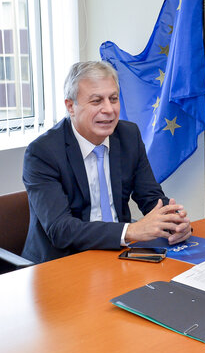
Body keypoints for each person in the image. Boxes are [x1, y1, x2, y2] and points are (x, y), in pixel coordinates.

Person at [22, 61, 191, 264]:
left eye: (113, 99)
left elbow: (150, 197)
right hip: (63, 261)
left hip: (119, 254)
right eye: (96, 101)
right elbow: (61, 230)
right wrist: (131, 230)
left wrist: (173, 221)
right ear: (70, 106)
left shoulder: (129, 136)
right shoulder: (43, 152)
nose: (109, 110)